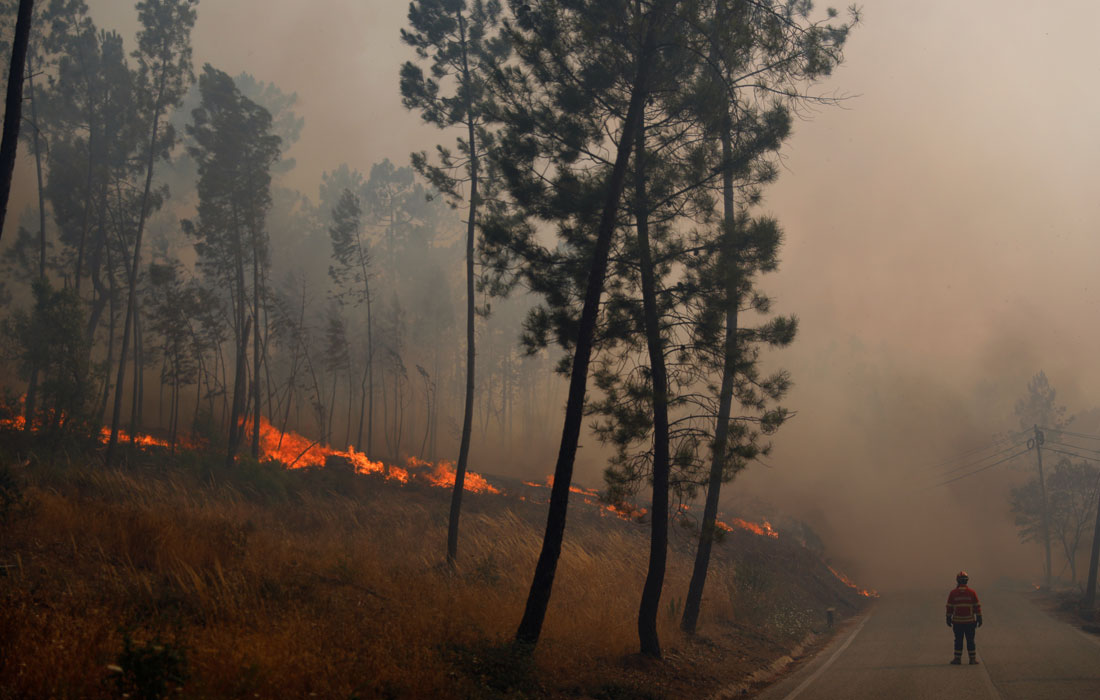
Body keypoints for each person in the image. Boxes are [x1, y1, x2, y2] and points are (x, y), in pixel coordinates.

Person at [946, 570, 983, 665]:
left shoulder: (953, 593)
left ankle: (957, 659)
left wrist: (948, 618)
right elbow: (977, 606)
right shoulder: (972, 592)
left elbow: (949, 607)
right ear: (967, 581)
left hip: (957, 623)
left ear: (957, 580)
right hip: (970, 622)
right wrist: (979, 618)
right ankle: (972, 659)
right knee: (970, 640)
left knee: (958, 640)